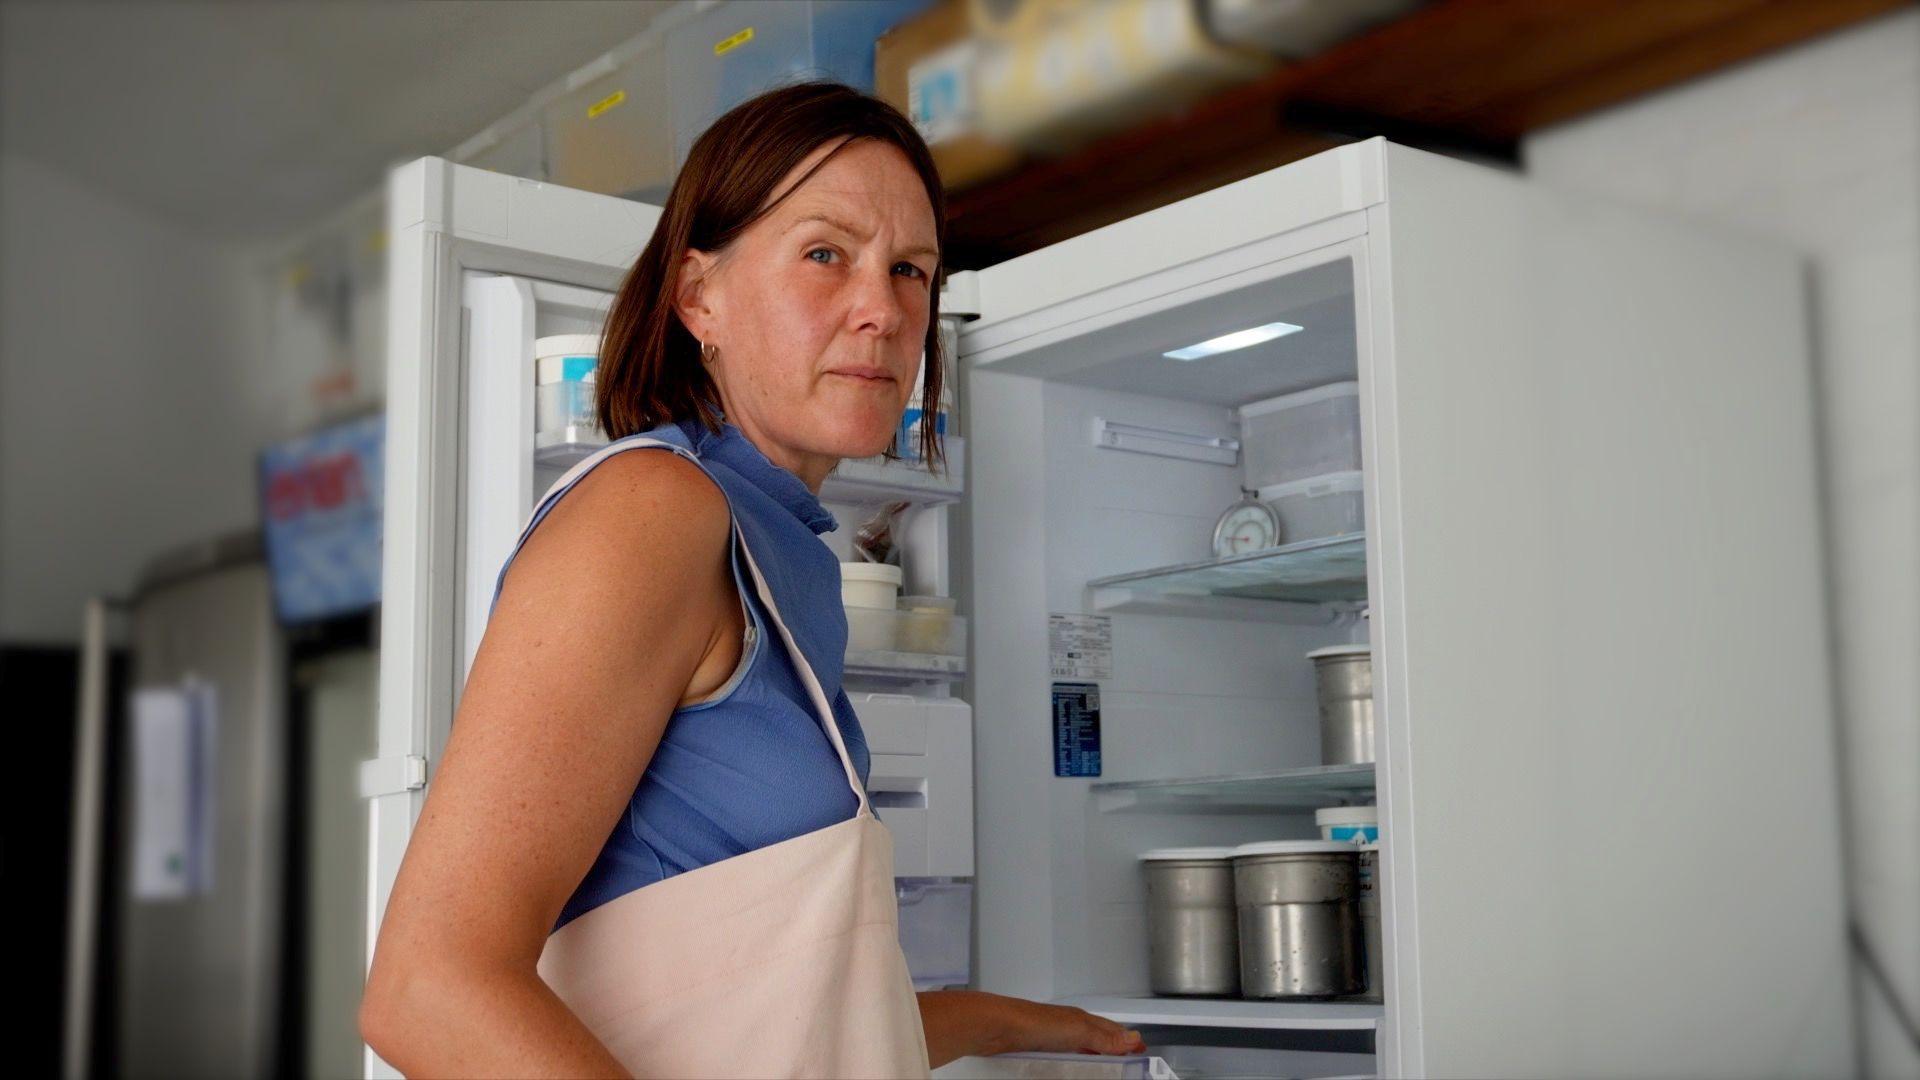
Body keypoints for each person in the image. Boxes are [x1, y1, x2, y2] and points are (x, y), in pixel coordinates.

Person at [359, 82, 1147, 1077]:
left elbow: (775, 1025)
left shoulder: (781, 556)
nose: (883, 310)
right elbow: (429, 989)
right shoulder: (655, 510)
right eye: (827, 254)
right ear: (700, 298)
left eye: (911, 270)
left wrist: (1019, 1024)